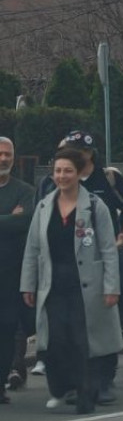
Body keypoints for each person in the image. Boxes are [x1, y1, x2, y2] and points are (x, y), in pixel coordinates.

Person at [36, 130, 123, 405]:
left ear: (89, 154)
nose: (72, 155)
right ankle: (73, 383)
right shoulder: (50, 186)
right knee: (67, 332)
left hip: (101, 264)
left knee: (101, 328)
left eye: (78, 150)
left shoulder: (107, 180)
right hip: (63, 271)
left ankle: (103, 382)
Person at [20, 148, 122, 414]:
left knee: (82, 341)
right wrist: (27, 285)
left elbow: (109, 249)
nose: (62, 176)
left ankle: (86, 393)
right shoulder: (44, 206)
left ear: (78, 174)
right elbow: (32, 249)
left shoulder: (95, 206)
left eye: (68, 171)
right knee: (55, 341)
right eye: (57, 171)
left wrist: (112, 287)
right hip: (53, 286)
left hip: (85, 286)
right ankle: (60, 387)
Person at [0, 137, 35, 403]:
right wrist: (10, 216)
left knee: (8, 328)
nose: (3, 158)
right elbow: (13, 221)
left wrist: (17, 218)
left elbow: (24, 221)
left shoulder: (24, 190)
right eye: (0, 153)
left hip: (11, 274)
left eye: (7, 154)